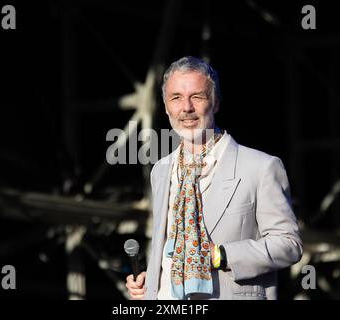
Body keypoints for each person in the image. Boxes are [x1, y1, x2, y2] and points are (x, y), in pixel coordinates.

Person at [125, 56, 303, 300]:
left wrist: (221, 255)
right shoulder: (161, 170)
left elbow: (289, 245)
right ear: (166, 106)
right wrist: (151, 282)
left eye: (197, 97)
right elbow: (167, 249)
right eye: (176, 98)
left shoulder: (260, 167)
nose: (186, 108)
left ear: (216, 102)